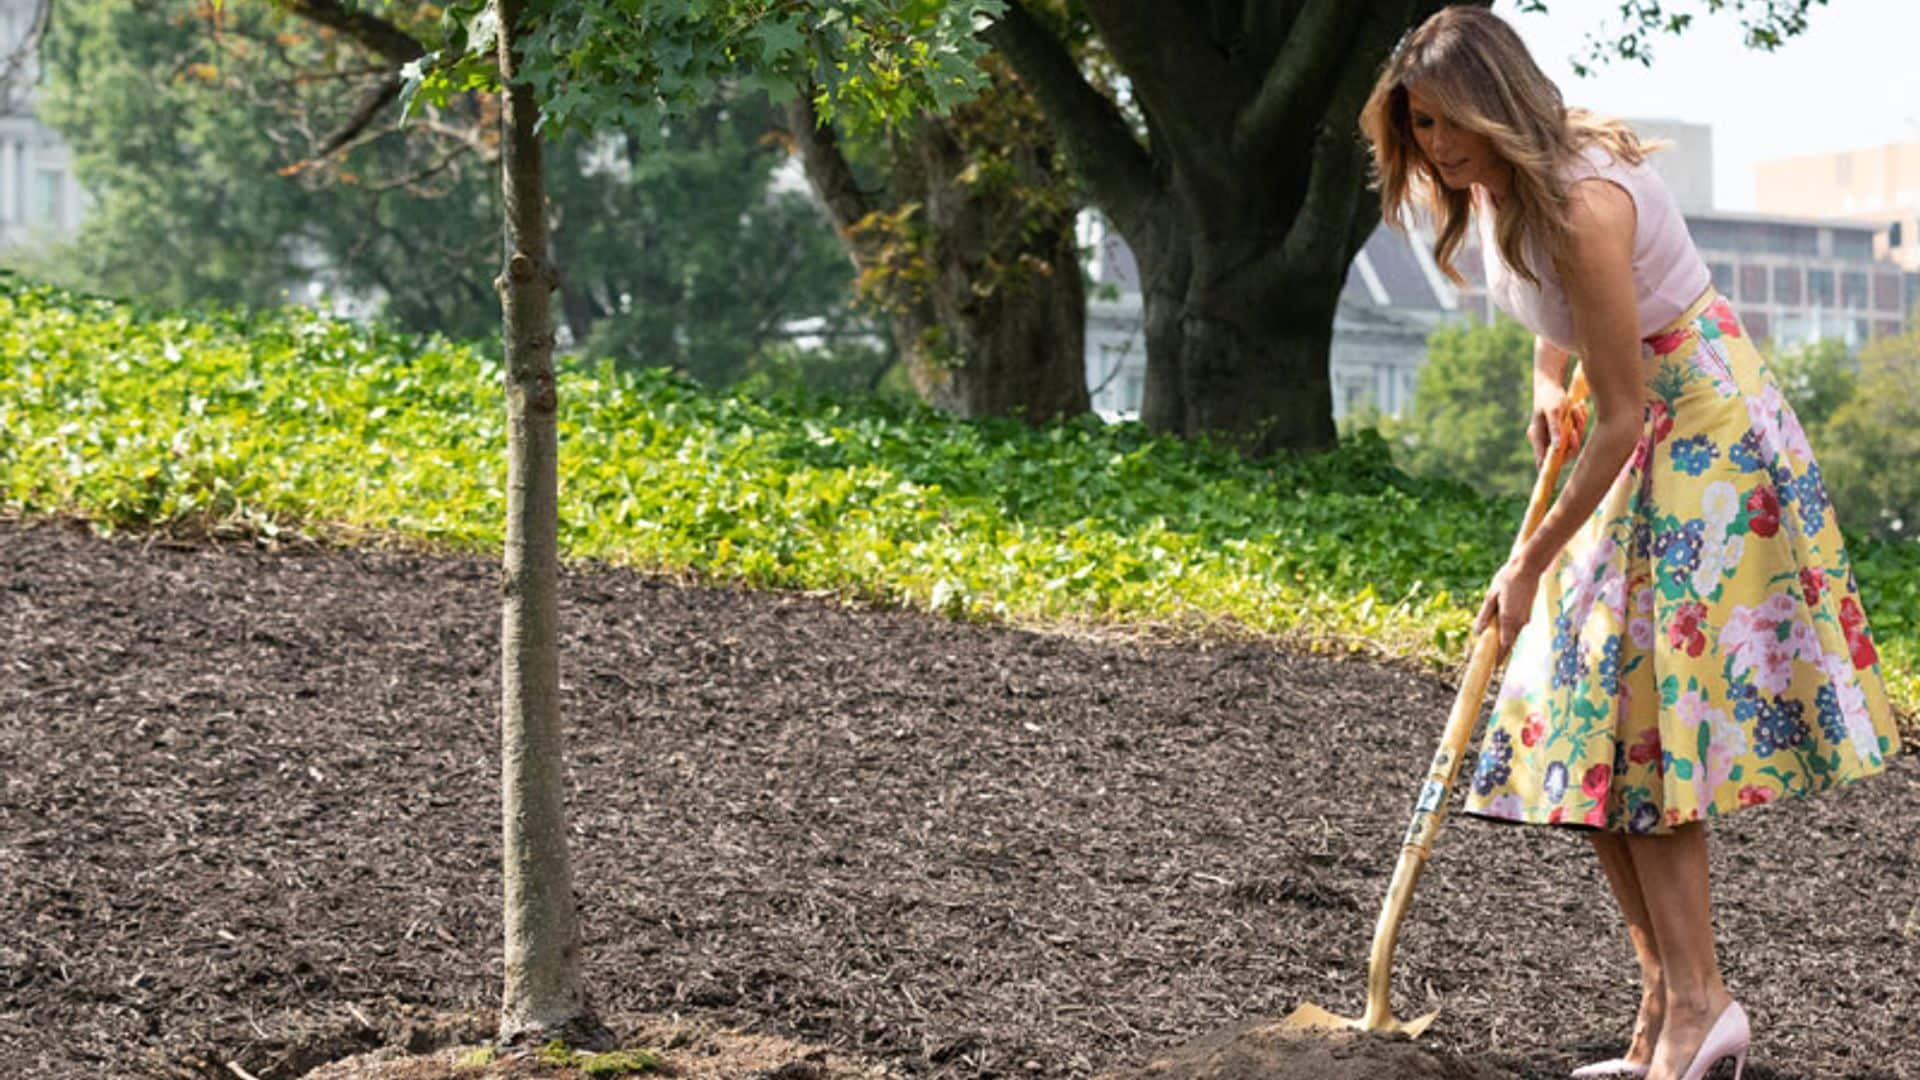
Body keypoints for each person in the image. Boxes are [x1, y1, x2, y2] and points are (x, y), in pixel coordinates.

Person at [1356, 7, 1903, 1080]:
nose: (1437, 145)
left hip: (1700, 446)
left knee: (1640, 735)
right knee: (1586, 733)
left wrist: (1528, 564)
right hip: (1633, 429)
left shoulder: (1587, 201)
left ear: (1499, 99)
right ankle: (1664, 1010)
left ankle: (1704, 1005)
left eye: (1449, 119)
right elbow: (1566, 332)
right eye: (1419, 126)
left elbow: (1627, 409)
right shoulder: (1498, 187)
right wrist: (1545, 378)